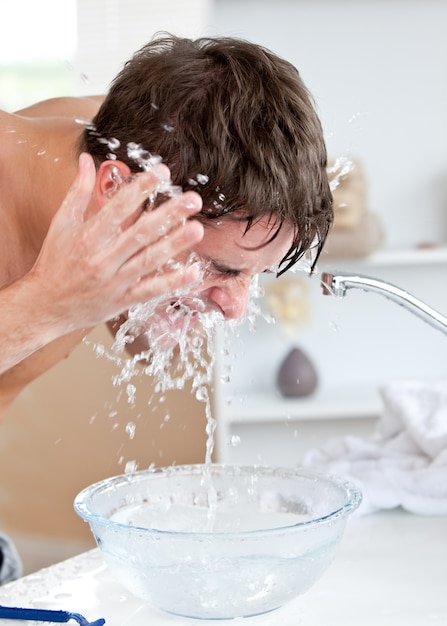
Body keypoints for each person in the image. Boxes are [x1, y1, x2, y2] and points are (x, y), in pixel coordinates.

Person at [0, 34, 332, 580]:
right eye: (224, 268)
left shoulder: (136, 151)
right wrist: (48, 304)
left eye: (253, 274)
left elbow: (138, 340)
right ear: (116, 194)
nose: (234, 308)